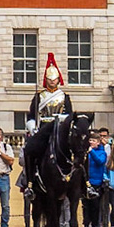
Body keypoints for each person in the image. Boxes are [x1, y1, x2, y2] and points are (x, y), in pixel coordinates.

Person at [19, 54, 73, 186]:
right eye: (50, 79)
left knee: (78, 150)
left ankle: (84, 184)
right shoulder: (39, 96)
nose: (52, 81)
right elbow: (31, 115)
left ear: (58, 80)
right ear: (46, 79)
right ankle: (30, 181)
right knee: (30, 150)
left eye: (54, 79)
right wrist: (33, 128)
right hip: (43, 128)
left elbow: (69, 115)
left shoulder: (64, 96)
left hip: (59, 128)